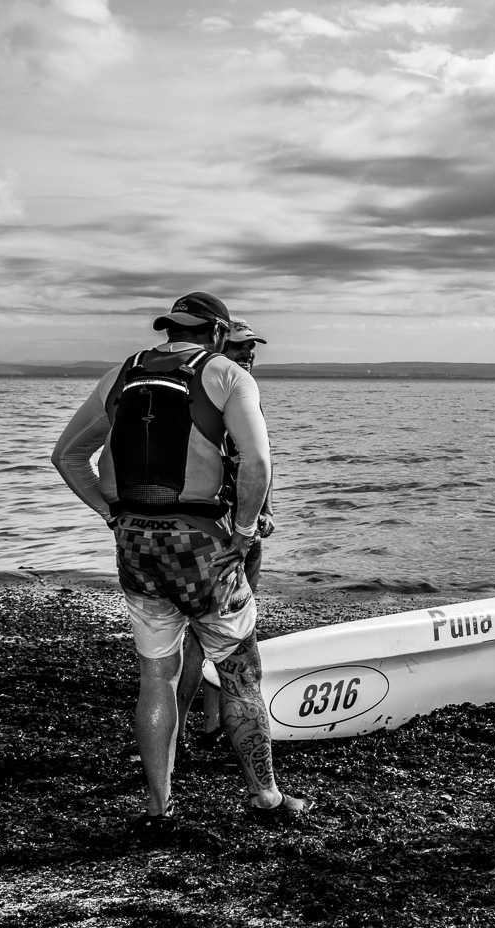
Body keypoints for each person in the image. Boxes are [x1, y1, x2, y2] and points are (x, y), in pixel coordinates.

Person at [51, 292, 311, 836]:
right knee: (241, 675)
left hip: (137, 549)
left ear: (170, 330)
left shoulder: (121, 374)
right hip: (203, 547)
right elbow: (257, 464)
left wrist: (111, 516)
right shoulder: (226, 375)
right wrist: (242, 534)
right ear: (217, 334)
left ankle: (158, 807)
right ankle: (265, 796)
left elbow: (68, 456)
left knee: (156, 677)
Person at [176, 317, 274, 753]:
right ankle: (179, 725)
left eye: (252, 348)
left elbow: (259, 461)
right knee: (207, 633)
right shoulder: (214, 390)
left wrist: (265, 510)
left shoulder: (240, 388)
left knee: (233, 630)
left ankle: (212, 722)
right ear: (219, 345)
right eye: (239, 347)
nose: (248, 355)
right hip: (220, 529)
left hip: (242, 527)